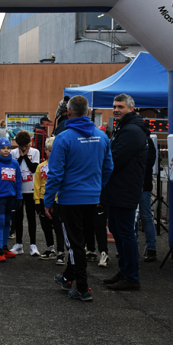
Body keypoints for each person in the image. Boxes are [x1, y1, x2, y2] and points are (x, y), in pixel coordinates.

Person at [44, 95, 113, 302]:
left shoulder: (63, 138)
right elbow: (108, 168)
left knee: (74, 244)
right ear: (88, 112)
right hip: (92, 198)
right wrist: (97, 188)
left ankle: (82, 288)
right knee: (79, 240)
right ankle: (67, 278)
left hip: (70, 199)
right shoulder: (102, 137)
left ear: (68, 113)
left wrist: (48, 200)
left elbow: (55, 173)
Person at [101, 94, 150, 291]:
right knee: (118, 231)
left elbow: (114, 159)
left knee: (125, 233)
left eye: (120, 107)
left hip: (125, 190)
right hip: (117, 189)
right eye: (114, 106)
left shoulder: (131, 131)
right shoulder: (124, 128)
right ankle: (124, 272)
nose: (116, 110)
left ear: (131, 108)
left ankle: (131, 277)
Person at [0, 137, 22, 262]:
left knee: (8, 222)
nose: (6, 150)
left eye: (8, 148)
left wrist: (19, 197)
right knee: (1, 222)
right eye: (3, 148)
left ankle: (5, 247)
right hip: (0, 198)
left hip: (11, 198)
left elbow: (18, 181)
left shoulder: (15, 163)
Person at [33, 136, 65, 262]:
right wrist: (37, 202)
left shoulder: (63, 166)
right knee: (46, 226)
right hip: (43, 199)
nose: (52, 153)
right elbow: (36, 185)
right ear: (45, 151)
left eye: (54, 150)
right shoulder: (41, 166)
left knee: (58, 227)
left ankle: (61, 251)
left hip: (58, 201)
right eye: (50, 150)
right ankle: (50, 248)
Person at [10, 130, 41, 257]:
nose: (23, 148)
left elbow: (33, 168)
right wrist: (21, 156)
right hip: (18, 189)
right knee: (18, 217)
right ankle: (18, 244)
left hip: (30, 189)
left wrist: (25, 156)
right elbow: (13, 168)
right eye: (20, 146)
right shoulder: (13, 153)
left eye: (25, 146)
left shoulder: (35, 152)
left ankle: (33, 244)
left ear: (29, 143)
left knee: (31, 217)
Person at [140, 131, 158, 262]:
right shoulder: (148, 141)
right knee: (145, 216)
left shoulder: (145, 141)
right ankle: (151, 248)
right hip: (143, 184)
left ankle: (151, 248)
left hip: (140, 184)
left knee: (144, 216)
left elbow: (149, 162)